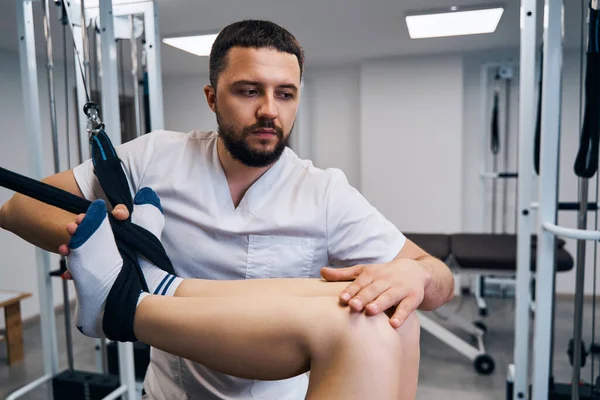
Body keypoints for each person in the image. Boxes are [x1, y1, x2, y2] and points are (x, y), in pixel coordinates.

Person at [0, 19, 455, 400]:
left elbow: (437, 279)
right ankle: (133, 291)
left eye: (285, 94)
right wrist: (102, 244)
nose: (269, 111)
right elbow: (19, 208)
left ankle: (134, 297)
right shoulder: (156, 157)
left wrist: (415, 274)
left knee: (390, 321)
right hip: (173, 393)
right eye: (248, 91)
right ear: (212, 98)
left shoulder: (325, 192)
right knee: (363, 326)